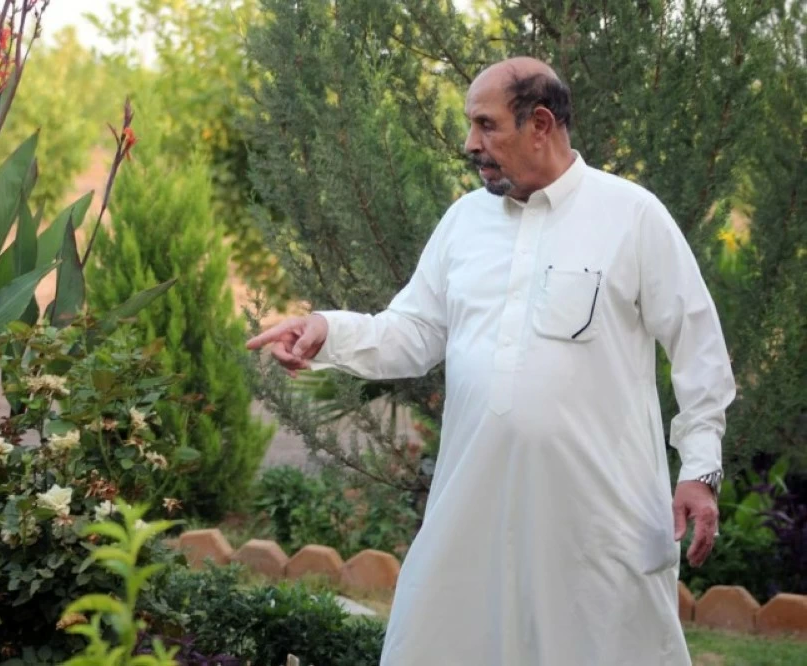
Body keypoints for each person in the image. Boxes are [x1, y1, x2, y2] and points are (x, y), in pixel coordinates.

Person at [246, 56, 735, 665]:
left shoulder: (631, 216)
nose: (470, 143)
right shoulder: (464, 221)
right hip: (472, 513)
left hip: (597, 523)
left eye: (486, 124)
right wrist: (327, 331)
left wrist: (699, 470)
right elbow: (413, 332)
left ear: (540, 124)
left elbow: (698, 347)